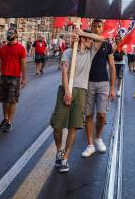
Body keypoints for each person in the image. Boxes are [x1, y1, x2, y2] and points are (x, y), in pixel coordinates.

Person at [52, 29, 103, 173]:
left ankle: (66, 159)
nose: (91, 42)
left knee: (73, 126)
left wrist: (82, 33)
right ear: (82, 40)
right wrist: (67, 91)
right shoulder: (69, 52)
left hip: (81, 90)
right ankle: (59, 152)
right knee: (57, 126)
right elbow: (64, 72)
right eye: (88, 39)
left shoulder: (90, 52)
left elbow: (101, 38)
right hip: (65, 88)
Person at [82, 19, 116, 158]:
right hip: (88, 82)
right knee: (89, 115)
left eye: (99, 26)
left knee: (102, 115)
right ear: (91, 27)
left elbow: (112, 66)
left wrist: (112, 87)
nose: (96, 28)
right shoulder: (87, 42)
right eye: (94, 26)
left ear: (102, 28)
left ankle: (98, 137)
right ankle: (90, 145)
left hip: (103, 83)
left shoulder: (107, 45)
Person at [0, 29, 27, 133]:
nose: (9, 35)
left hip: (14, 77)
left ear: (16, 35)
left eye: (11, 33)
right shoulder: (3, 48)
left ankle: (9, 122)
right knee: (4, 100)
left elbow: (23, 64)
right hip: (3, 77)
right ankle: (5, 119)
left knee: (12, 101)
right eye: (8, 33)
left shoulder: (21, 48)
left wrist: (24, 78)